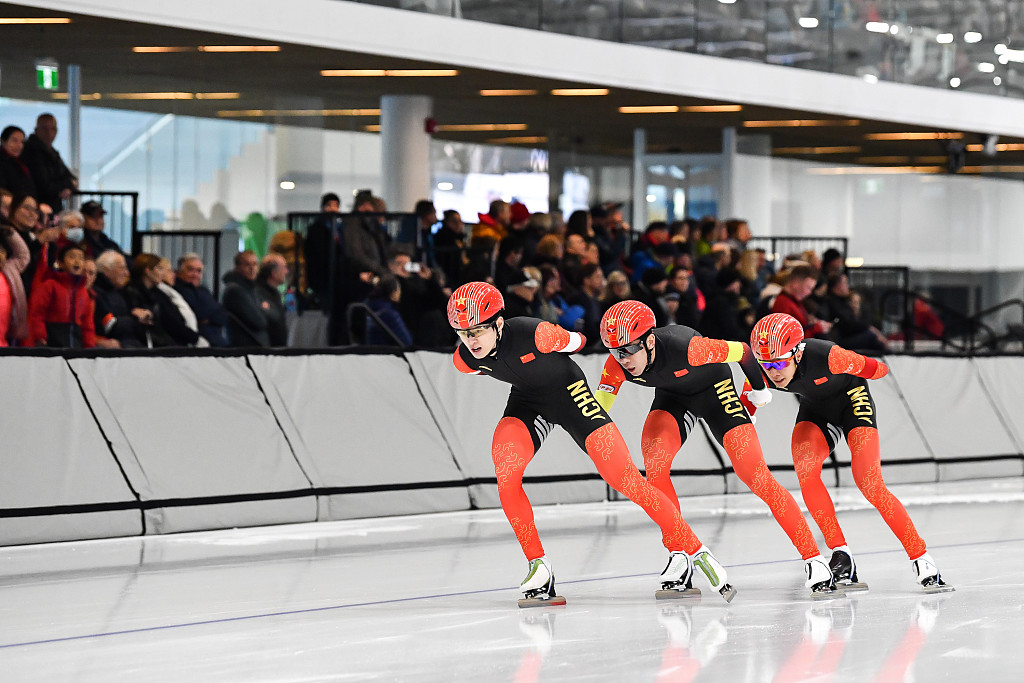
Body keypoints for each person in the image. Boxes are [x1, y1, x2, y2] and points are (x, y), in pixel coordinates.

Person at [447, 282, 735, 606]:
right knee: (506, 473)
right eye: (462, 333)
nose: (471, 341)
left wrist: (562, 338)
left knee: (625, 479)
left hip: (571, 396)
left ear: (499, 323)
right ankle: (538, 566)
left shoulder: (534, 333)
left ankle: (696, 550)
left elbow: (580, 341)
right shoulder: (465, 359)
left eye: (477, 331)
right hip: (527, 404)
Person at [594, 300, 840, 598]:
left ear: (649, 340)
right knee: (655, 465)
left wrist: (758, 388)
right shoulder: (617, 365)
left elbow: (744, 351)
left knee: (754, 474)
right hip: (673, 399)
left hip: (715, 392)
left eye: (629, 349)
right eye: (614, 351)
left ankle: (814, 559)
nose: (623, 359)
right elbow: (596, 416)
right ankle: (678, 556)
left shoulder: (691, 348)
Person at [743, 312, 953, 593]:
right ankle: (841, 555)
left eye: (780, 362)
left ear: (797, 352)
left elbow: (880, 370)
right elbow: (745, 411)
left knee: (869, 482)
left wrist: (859, 364)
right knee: (806, 472)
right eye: (765, 365)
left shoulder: (828, 356)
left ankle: (922, 558)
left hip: (853, 401)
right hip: (816, 410)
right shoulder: (760, 373)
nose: (773, 372)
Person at [26, 243, 95, 348]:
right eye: (72, 257)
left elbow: (87, 324)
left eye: (81, 258)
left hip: (76, 346)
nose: (77, 261)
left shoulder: (84, 293)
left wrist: (89, 346)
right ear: (60, 263)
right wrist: (40, 336)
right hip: (51, 344)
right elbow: (37, 313)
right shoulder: (50, 285)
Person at [21, 113, 77, 211]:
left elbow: (70, 178)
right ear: (36, 130)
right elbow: (43, 184)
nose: (49, 133)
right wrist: (64, 187)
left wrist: (66, 186)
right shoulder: (31, 152)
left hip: (51, 207)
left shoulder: (52, 153)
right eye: (45, 129)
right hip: (37, 208)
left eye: (53, 129)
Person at [174, 253, 228, 346]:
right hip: (198, 344)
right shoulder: (177, 289)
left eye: (199, 271)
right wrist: (211, 317)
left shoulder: (204, 290)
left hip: (218, 342)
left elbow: (223, 316)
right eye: (190, 270)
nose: (195, 274)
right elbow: (198, 313)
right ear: (179, 271)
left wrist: (209, 318)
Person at [222, 250, 269, 346]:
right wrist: (263, 309)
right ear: (238, 267)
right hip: (245, 348)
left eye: (255, 264)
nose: (252, 268)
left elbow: (273, 315)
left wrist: (259, 309)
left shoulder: (252, 288)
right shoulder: (235, 290)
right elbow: (259, 321)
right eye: (247, 265)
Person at [255, 253, 289, 346]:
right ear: (273, 272)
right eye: (284, 267)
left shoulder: (274, 293)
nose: (287, 271)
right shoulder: (259, 294)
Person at [0, 126, 37, 198]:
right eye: (14, 141)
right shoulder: (2, 162)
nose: (19, 146)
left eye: (22, 142)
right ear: (3, 141)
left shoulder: (21, 162)